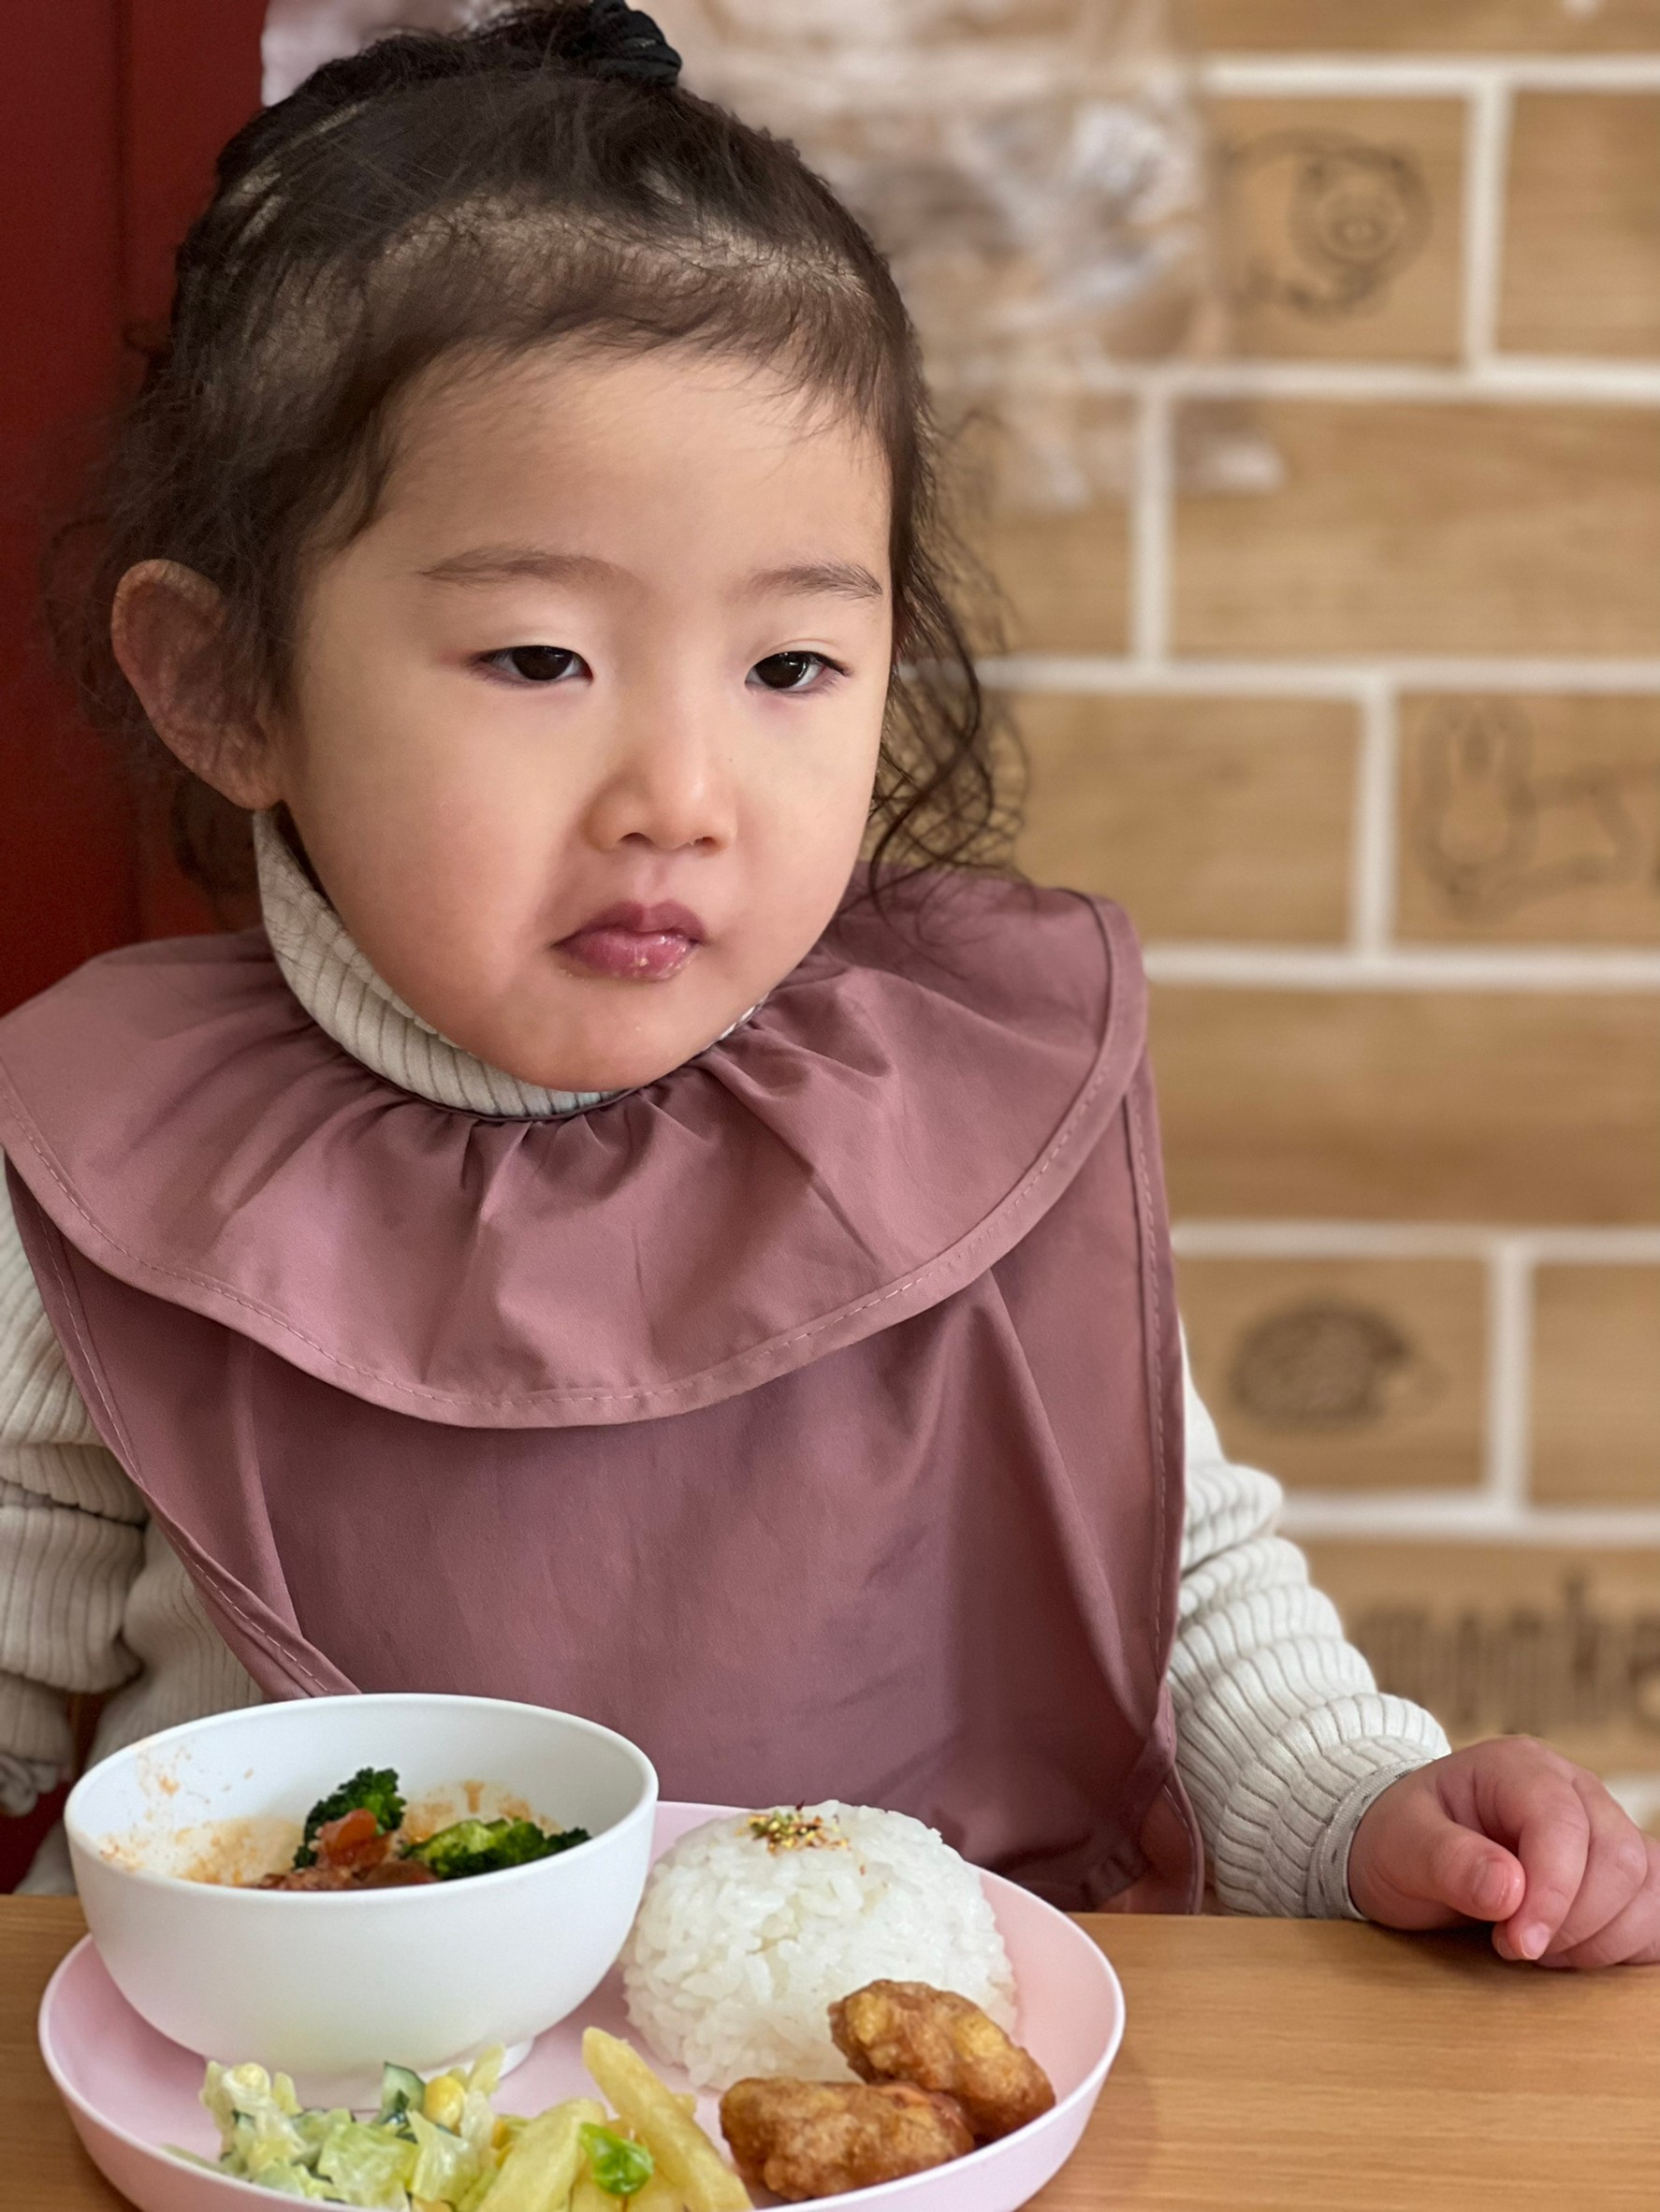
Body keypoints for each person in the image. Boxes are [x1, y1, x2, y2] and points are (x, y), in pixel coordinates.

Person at [1, 0, 1654, 1966]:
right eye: (538, 659)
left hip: (890, 2070)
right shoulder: (103, 1168)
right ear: (224, 686)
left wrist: (1363, 1809)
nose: (678, 797)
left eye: (788, 668)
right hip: (297, 2083)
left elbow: (1178, 1578)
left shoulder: (966, 1104)